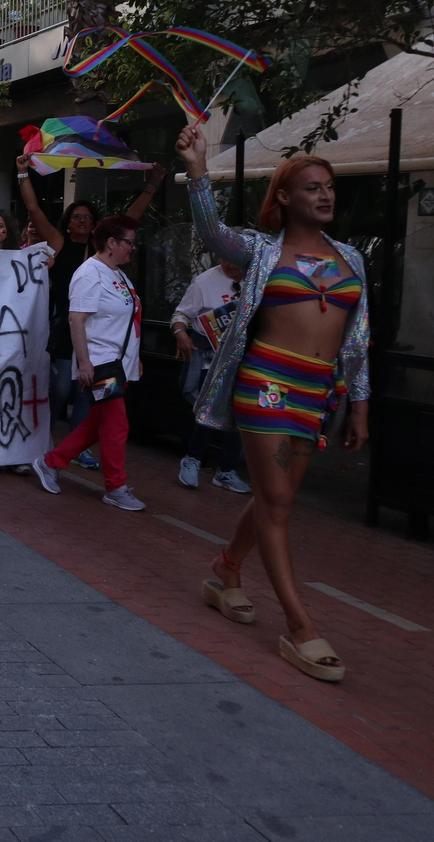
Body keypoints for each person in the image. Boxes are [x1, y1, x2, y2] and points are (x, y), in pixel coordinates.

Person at [178, 128, 368, 683]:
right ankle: (300, 625)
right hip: (266, 381)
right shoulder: (261, 251)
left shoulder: (352, 258)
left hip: (318, 392)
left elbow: (358, 338)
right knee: (279, 500)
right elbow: (212, 232)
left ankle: (226, 568)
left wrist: (359, 403)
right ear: (285, 197)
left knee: (272, 498)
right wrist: (197, 169)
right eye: (312, 188)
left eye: (329, 187)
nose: (325, 196)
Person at [18, 150, 165, 469]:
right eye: (77, 217)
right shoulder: (60, 243)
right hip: (69, 332)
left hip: (98, 343)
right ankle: (46, 439)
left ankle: (70, 453)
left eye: (87, 217)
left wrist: (153, 184)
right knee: (59, 388)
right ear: (68, 222)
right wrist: (22, 174)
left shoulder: (109, 260)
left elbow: (131, 220)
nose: (82, 221)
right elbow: (33, 208)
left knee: (90, 399)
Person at [31, 215, 145, 511]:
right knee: (116, 424)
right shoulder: (89, 274)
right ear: (111, 243)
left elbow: (126, 321)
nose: (133, 248)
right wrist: (84, 363)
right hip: (101, 365)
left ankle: (50, 462)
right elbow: (76, 319)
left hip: (117, 365)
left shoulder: (116, 273)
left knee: (98, 424)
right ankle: (115, 486)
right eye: (129, 242)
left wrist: (135, 358)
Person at [172, 259, 252, 494]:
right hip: (209, 353)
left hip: (242, 354)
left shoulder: (255, 277)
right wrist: (180, 332)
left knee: (239, 411)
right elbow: (181, 314)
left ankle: (226, 471)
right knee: (212, 407)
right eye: (227, 256)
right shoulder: (204, 282)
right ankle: (192, 459)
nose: (233, 262)